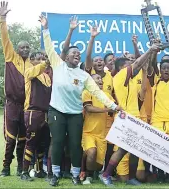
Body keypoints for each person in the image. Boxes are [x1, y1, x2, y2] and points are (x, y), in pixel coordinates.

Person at [39, 14, 121, 186]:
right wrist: (45, 28)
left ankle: (76, 175)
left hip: (75, 113)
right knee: (58, 141)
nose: (77, 54)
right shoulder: (58, 65)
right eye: (73, 53)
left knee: (76, 144)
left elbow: (98, 93)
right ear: (66, 57)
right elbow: (48, 46)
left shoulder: (84, 75)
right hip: (56, 111)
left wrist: (113, 106)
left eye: (78, 53)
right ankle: (54, 175)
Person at [99, 43, 160, 187]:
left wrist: (148, 62)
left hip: (135, 117)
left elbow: (141, 73)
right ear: (121, 68)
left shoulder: (131, 81)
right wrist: (150, 49)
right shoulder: (120, 76)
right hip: (125, 118)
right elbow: (138, 63)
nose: (132, 66)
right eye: (128, 64)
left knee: (134, 149)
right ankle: (106, 174)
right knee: (122, 149)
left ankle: (131, 178)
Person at [0, 1, 32, 177]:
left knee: (23, 139)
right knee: (10, 138)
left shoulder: (33, 64)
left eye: (27, 47)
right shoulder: (11, 56)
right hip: (12, 105)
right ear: (17, 49)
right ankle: (5, 167)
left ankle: (21, 167)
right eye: (22, 47)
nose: (25, 49)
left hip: (26, 106)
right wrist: (3, 18)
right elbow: (5, 37)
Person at [147, 32, 169, 183]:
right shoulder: (155, 80)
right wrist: (154, 50)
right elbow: (151, 65)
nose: (167, 70)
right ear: (160, 69)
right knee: (159, 148)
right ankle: (159, 174)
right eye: (164, 68)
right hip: (157, 120)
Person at [21, 52, 52, 181]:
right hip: (32, 112)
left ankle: (39, 171)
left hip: (45, 113)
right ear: (32, 60)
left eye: (43, 59)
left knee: (42, 143)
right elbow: (38, 69)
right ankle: (24, 172)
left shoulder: (47, 76)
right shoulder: (29, 72)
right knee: (31, 142)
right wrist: (46, 63)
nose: (41, 61)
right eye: (38, 59)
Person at [81, 74, 116, 184]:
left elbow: (114, 110)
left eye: (101, 78)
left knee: (98, 165)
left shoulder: (107, 96)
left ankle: (92, 173)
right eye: (97, 78)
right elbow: (88, 108)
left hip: (102, 135)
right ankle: (87, 175)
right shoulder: (87, 93)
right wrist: (106, 110)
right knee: (91, 152)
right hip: (88, 132)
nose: (100, 80)